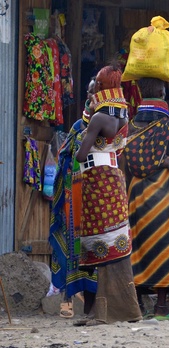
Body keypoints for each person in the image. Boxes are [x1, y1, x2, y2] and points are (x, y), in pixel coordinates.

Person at [74, 66, 142, 326]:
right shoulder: (123, 117)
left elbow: (81, 155)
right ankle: (102, 311)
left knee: (101, 245)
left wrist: (80, 138)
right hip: (114, 180)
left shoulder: (99, 119)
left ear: (101, 88)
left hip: (96, 183)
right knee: (113, 241)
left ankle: (102, 312)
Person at [126, 77, 169, 317]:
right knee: (165, 246)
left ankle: (139, 304)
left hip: (137, 195)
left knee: (138, 248)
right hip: (167, 196)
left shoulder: (131, 127)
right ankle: (162, 305)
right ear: (162, 94)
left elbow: (126, 163)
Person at [49, 77, 98, 319]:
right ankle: (67, 299)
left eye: (96, 91)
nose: (91, 97)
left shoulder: (114, 123)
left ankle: (96, 302)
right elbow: (65, 156)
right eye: (89, 92)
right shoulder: (79, 125)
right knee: (72, 244)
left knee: (97, 248)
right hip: (75, 195)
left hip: (101, 196)